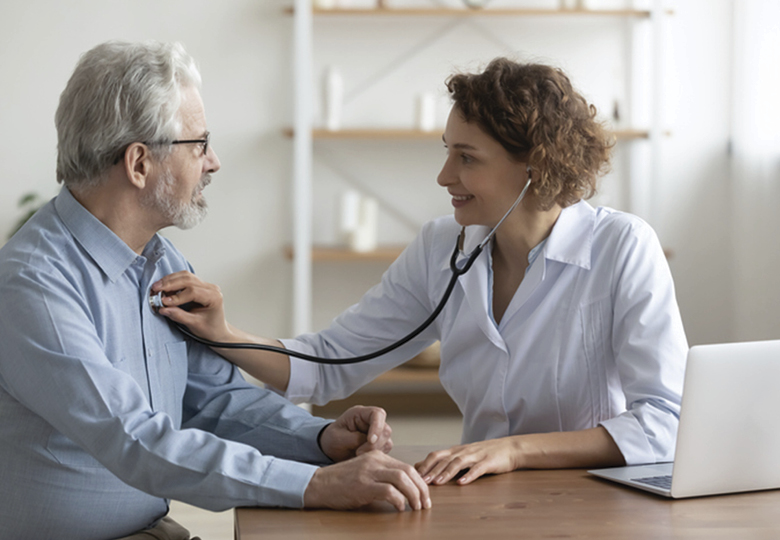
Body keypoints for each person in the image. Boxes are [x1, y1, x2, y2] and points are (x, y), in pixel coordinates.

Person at [154, 58, 688, 488]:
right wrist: (222, 335)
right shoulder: (442, 248)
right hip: (483, 498)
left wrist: (516, 450)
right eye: (446, 153)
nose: (444, 175)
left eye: (467, 158)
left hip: (600, 501)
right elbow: (330, 364)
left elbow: (665, 423)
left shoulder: (622, 248)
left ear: (535, 166)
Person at [0, 41, 431, 540]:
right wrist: (315, 484)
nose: (214, 162)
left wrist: (320, 438)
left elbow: (213, 402)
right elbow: (135, 439)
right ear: (139, 163)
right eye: (199, 144)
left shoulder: (160, 262)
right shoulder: (33, 284)